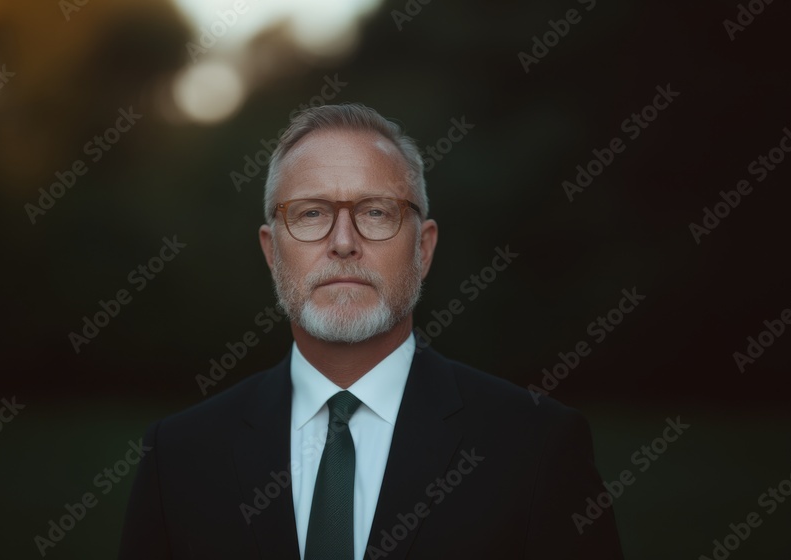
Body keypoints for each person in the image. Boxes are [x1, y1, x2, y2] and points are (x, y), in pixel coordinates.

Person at [118, 103, 623, 559]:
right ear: (272, 252)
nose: (343, 242)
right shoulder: (179, 455)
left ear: (422, 249)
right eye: (311, 213)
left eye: (376, 213)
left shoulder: (536, 447)